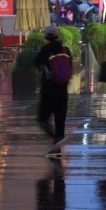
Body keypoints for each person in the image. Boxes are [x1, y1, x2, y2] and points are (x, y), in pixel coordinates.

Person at [34, 25, 72, 156]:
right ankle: (57, 149)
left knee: (43, 118)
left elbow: (36, 62)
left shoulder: (46, 49)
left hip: (49, 90)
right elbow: (70, 67)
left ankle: (56, 138)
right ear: (57, 36)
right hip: (63, 90)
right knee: (60, 121)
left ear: (46, 37)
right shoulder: (65, 49)